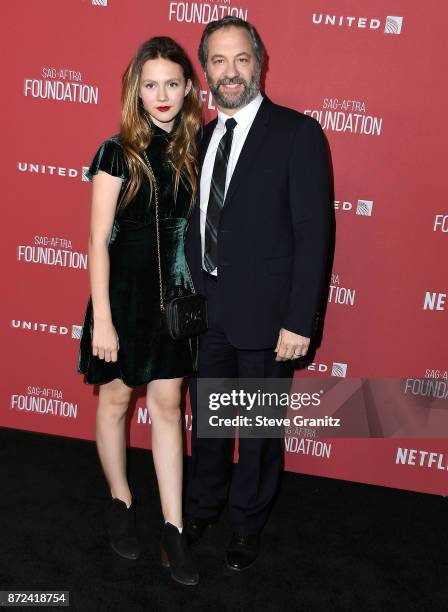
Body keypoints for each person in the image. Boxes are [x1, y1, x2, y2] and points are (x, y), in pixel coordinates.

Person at [184, 17, 332, 571]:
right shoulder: (198, 137)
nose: (230, 72)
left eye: (240, 58)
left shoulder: (297, 133)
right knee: (210, 420)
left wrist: (300, 321)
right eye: (218, 61)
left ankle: (247, 524)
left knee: (259, 429)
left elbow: (314, 234)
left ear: (260, 62)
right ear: (206, 70)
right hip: (207, 312)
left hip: (270, 320)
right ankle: (203, 506)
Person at [77, 36, 202, 586]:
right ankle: (121, 500)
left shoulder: (198, 148)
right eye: (150, 84)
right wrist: (102, 318)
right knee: (117, 396)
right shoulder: (115, 152)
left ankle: (173, 530)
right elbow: (97, 240)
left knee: (170, 405)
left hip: (174, 296)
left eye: (172, 83)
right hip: (123, 297)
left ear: (187, 87)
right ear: (136, 90)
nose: (162, 94)